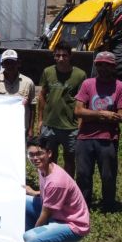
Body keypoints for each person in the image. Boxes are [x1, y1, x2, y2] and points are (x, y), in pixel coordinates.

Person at [74, 51, 122, 211]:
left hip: (108, 138)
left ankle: (109, 205)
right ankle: (83, 205)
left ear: (113, 67)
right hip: (85, 137)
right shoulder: (88, 84)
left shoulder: (121, 87)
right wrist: (102, 114)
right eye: (100, 64)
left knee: (108, 175)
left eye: (107, 65)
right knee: (83, 174)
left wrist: (91, 115)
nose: (103, 68)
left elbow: (121, 116)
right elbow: (78, 111)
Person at [22, 137, 90, 242]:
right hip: (57, 215)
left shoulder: (56, 182)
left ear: (49, 153)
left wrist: (34, 238)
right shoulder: (43, 168)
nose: (35, 158)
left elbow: (45, 213)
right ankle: (41, 239)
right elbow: (48, 194)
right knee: (21, 201)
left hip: (72, 225)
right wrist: (35, 192)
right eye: (31, 155)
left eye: (39, 154)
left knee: (30, 238)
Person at [37, 41, 87, 178]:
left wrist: (81, 122)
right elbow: (42, 94)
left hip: (70, 126)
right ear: (54, 56)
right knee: (48, 158)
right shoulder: (48, 72)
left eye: (64, 55)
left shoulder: (80, 75)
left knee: (69, 160)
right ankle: (50, 183)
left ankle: (67, 185)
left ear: (70, 56)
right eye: (57, 55)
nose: (60, 58)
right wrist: (40, 119)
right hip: (50, 124)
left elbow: (83, 100)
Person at [0, 50, 36, 136]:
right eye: (7, 63)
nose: (10, 66)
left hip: (22, 128)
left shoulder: (28, 82)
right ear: (2, 65)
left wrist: (30, 128)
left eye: (13, 62)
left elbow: (32, 107)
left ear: (18, 63)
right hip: (0, 127)